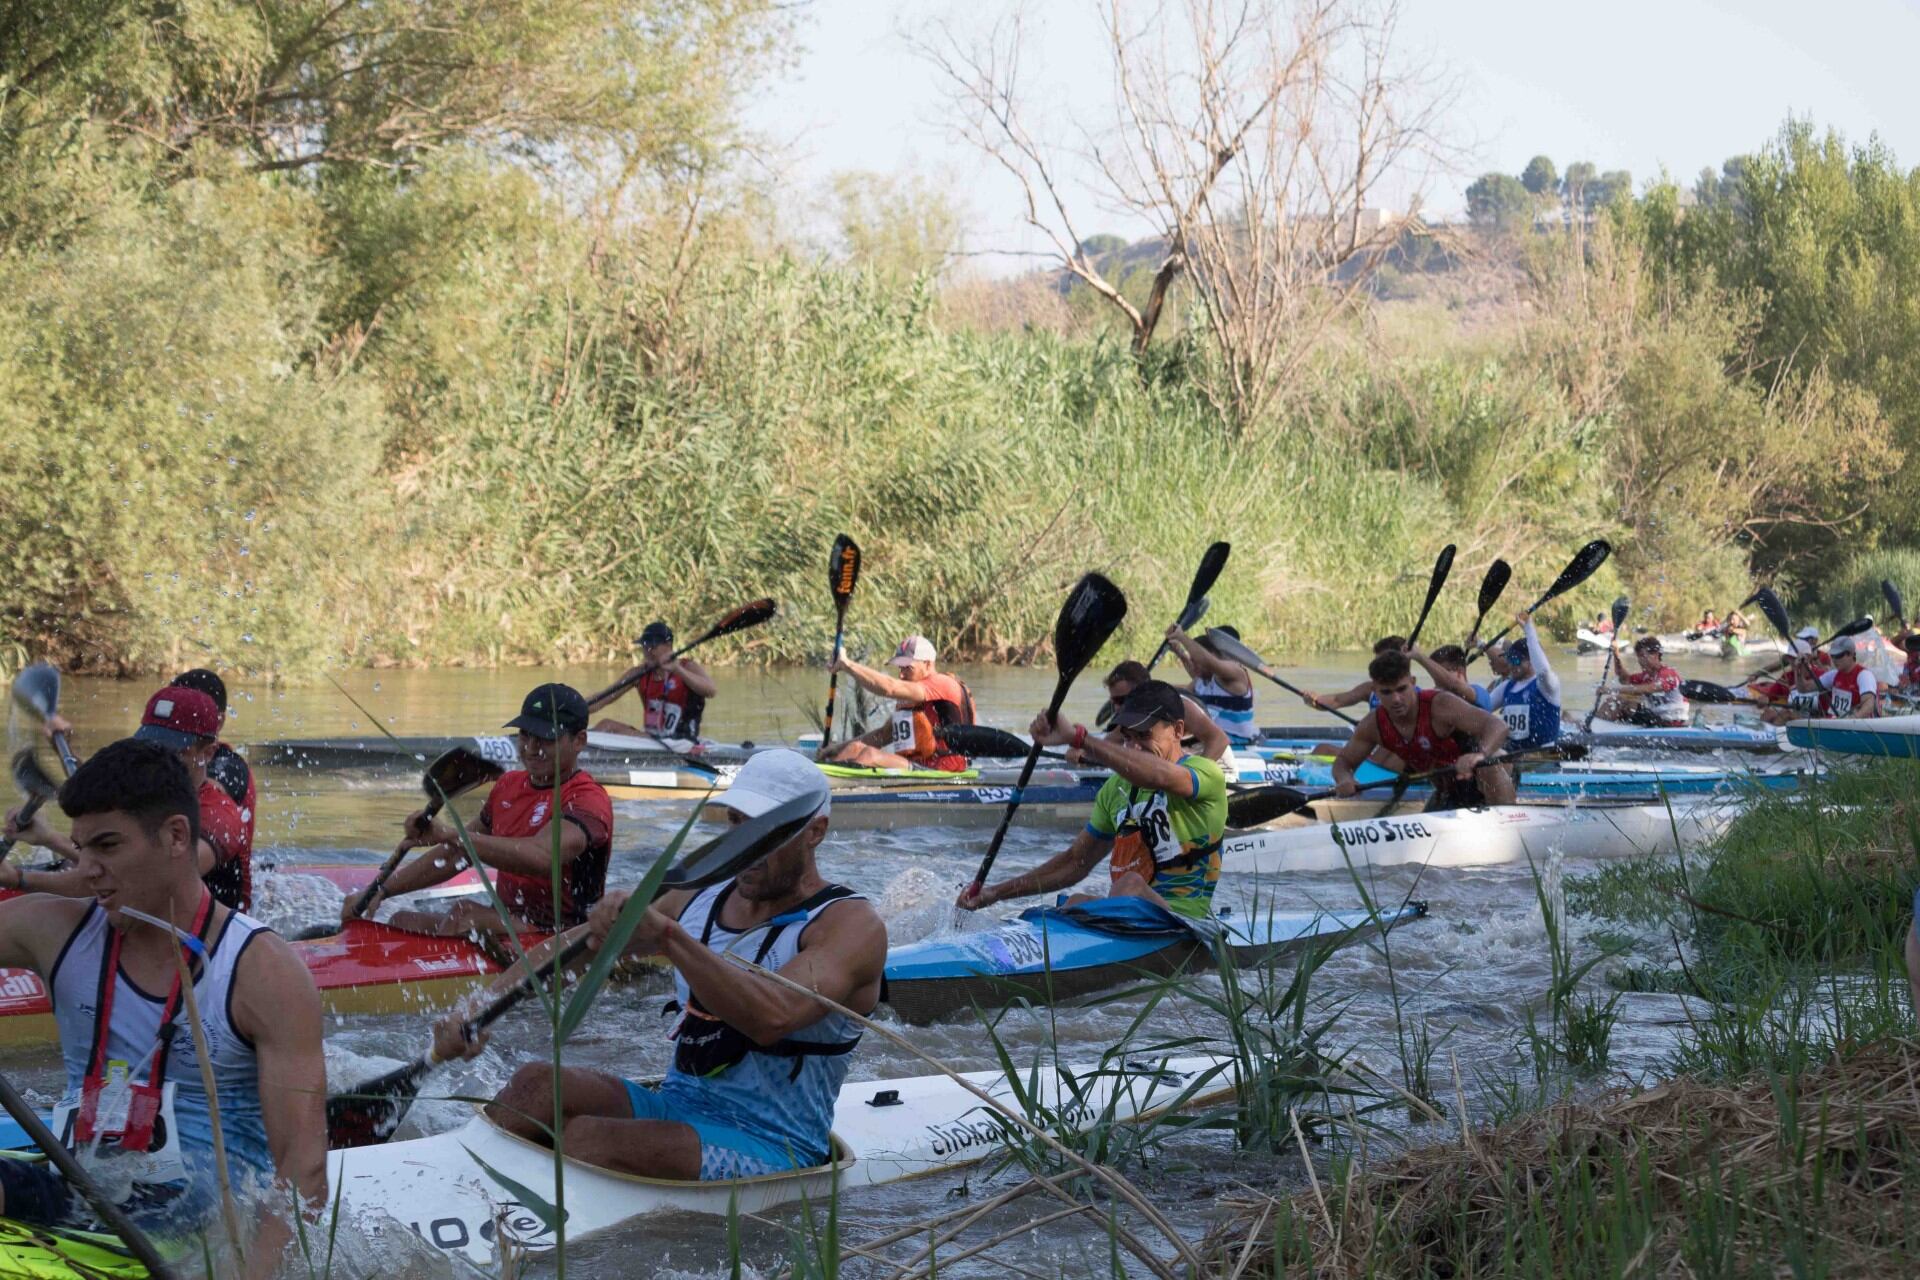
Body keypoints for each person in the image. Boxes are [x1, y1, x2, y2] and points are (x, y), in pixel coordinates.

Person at [431, 749, 886, 1181]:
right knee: (534, 1085)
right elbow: (576, 947)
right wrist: (478, 1009)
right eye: (735, 824)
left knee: (589, 1140)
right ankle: (458, 1185)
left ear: (815, 831)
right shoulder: (699, 893)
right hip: (678, 1104)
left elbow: (772, 1017)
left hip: (773, 1142)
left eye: (765, 831)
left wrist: (669, 938)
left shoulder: (851, 925)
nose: (744, 847)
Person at [0, 739, 325, 1274]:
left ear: (176, 836)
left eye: (107, 846)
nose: (87, 869)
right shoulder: (54, 928)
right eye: (81, 848)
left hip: (199, 1221)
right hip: (83, 1184)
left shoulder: (263, 971)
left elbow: (304, 1169)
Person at [353, 683, 613, 936]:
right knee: (402, 920)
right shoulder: (508, 785)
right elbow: (458, 855)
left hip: (562, 935)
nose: (532, 749)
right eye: (525, 735)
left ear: (579, 741)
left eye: (546, 738)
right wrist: (381, 890)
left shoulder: (587, 799)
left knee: (465, 913)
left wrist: (449, 834)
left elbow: (542, 856)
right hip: (509, 922)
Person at [958, 681, 1228, 919]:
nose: (1134, 746)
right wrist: (994, 893)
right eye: (1127, 737)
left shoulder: (1205, 773)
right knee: (1074, 902)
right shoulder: (1114, 791)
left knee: (1128, 884)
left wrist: (1079, 739)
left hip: (1184, 923)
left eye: (1144, 735)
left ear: (1178, 730)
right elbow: (1075, 862)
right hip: (1130, 914)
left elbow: (1157, 776)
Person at [6, 687, 255, 911]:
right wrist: (47, 837)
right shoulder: (144, 792)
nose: (156, 758)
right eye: (150, 745)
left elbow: (144, 880)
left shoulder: (220, 814)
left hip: (204, 945)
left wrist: (20, 878)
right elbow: (102, 804)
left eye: (173, 750)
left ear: (208, 752)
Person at [1330, 650, 1514, 811]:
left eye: (1402, 689)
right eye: (1386, 692)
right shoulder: (1374, 725)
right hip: (1450, 793)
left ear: (1413, 682)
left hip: (1486, 782)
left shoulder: (1440, 704)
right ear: (1375, 692)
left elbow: (1498, 726)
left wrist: (1480, 755)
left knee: (1492, 760)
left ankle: (1508, 820)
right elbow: (1344, 761)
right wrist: (1344, 779)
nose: (1396, 699)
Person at [827, 636, 976, 772]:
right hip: (917, 766)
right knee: (854, 748)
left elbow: (889, 688)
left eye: (907, 668)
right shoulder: (911, 697)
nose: (901, 675)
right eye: (900, 667)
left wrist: (847, 665)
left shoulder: (942, 684)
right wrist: (834, 750)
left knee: (870, 755)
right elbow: (881, 735)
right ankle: (826, 774)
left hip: (946, 770)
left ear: (928, 664)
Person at [589, 620, 717, 740]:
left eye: (653, 645)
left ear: (668, 646)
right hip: (653, 740)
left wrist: (677, 670)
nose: (647, 651)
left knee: (607, 727)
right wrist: (574, 711)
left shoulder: (687, 667)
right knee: (605, 725)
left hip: (682, 742)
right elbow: (603, 698)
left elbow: (711, 691)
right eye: (645, 645)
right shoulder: (639, 674)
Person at [1102, 661, 1230, 762]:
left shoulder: (1179, 705)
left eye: (1121, 700)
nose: (1118, 708)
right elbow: (1106, 746)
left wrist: (1193, 775)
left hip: (1216, 768)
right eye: (1113, 701)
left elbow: (1220, 740)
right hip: (1178, 768)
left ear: (1142, 689)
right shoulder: (1134, 717)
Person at [1163, 626, 1257, 746]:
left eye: (1196, 660)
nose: (1194, 666)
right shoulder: (1201, 680)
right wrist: (1178, 651)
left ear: (1210, 656)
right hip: (1209, 742)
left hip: (1235, 744)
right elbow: (1182, 694)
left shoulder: (1236, 674)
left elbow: (1206, 661)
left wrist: (1182, 637)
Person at [1487, 613, 1563, 752]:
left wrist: (1529, 630)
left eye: (1515, 660)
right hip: (1512, 755)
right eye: (1509, 660)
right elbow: (1482, 709)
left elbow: (1544, 670)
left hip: (1543, 757)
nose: (1511, 666)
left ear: (1531, 660)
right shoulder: (1506, 687)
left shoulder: (1547, 686)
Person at [1596, 637, 1690, 727]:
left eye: (1643, 656)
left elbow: (1650, 688)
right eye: (1638, 656)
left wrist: (1611, 690)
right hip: (1656, 719)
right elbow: (1624, 679)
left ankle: (1596, 727)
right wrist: (1616, 654)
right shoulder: (1646, 677)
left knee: (1618, 700)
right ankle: (1598, 724)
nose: (1640, 661)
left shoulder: (1669, 674)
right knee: (1621, 704)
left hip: (1673, 723)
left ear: (1656, 655)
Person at [1305, 636, 1410, 713]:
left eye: (1382, 662)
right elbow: (1337, 700)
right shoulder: (1370, 688)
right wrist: (1315, 701)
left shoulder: (1415, 694)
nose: (1377, 667)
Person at [1804, 634, 1879, 719]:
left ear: (1851, 655)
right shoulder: (1833, 674)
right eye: (1832, 656)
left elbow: (1868, 705)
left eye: (1839, 655)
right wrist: (1798, 668)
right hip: (1840, 724)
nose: (1835, 660)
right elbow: (1804, 688)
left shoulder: (1864, 675)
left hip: (1861, 727)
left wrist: (1849, 722)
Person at [1413, 643, 1492, 710]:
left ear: (1460, 671)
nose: (1438, 680)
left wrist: (1419, 657)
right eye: (1435, 674)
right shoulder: (1434, 696)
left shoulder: (1481, 694)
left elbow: (1455, 685)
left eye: (1442, 673)